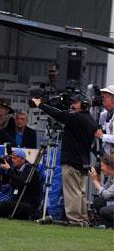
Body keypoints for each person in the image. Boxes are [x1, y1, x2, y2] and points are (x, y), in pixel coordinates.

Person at [33, 91, 100, 227]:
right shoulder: (91, 120)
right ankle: (82, 220)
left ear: (84, 105)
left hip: (72, 160)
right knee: (80, 192)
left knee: (72, 192)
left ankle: (75, 220)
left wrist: (41, 105)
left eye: (76, 103)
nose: (72, 105)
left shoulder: (76, 118)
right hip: (83, 160)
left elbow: (58, 114)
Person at [89, 153, 114, 227]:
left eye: (102, 165)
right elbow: (103, 191)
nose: (101, 168)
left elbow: (106, 195)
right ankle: (108, 226)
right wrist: (97, 178)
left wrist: (95, 181)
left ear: (109, 166)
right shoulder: (111, 177)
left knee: (104, 210)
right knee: (98, 202)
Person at [97, 85, 114, 156]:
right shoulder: (105, 114)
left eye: (105, 97)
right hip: (107, 157)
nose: (102, 99)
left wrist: (102, 136)